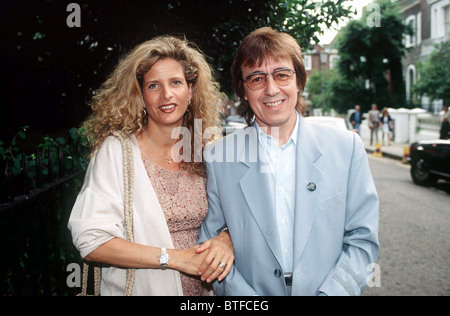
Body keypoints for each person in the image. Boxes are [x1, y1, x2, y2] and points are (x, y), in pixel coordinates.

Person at [199, 27, 379, 296]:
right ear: (244, 91)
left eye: (282, 75)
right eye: (257, 79)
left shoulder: (346, 148)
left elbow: (362, 241)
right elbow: (210, 244)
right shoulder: (218, 157)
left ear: (299, 82)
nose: (271, 89)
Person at [68, 35, 234, 296]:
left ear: (190, 91)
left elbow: (243, 216)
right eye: (154, 85)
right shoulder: (117, 151)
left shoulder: (207, 148)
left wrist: (228, 239)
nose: (166, 94)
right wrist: (174, 258)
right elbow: (92, 240)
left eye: (176, 83)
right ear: (140, 95)